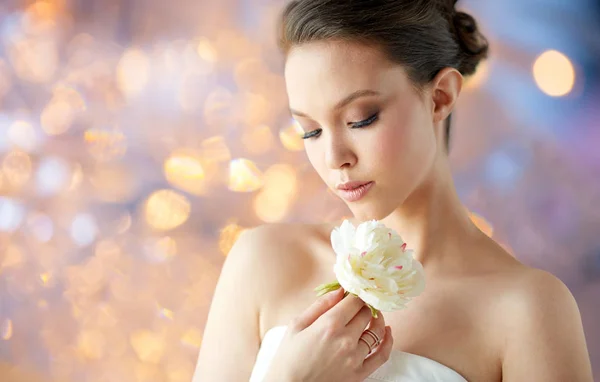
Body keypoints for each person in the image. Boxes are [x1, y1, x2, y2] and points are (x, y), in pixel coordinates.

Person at [194, 0, 594, 381]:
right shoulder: (264, 263)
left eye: (361, 119)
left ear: (440, 97)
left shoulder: (527, 310)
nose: (334, 158)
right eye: (311, 130)